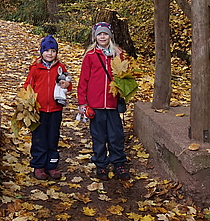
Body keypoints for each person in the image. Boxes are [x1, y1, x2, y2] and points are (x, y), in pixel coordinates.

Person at [77, 22, 130, 181]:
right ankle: (101, 164)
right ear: (95, 37)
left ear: (110, 36)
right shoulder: (91, 55)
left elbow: (124, 76)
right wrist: (82, 102)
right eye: (99, 34)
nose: (102, 37)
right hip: (96, 104)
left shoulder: (117, 54)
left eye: (105, 34)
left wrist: (124, 92)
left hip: (112, 104)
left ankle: (119, 162)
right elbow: (83, 80)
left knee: (116, 135)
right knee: (99, 136)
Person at [23, 35, 71, 180]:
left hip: (56, 109)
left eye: (53, 51)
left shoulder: (60, 68)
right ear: (41, 52)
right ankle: (38, 165)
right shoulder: (35, 68)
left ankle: (52, 165)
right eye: (47, 51)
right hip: (39, 109)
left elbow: (67, 84)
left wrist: (67, 86)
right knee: (39, 137)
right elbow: (28, 86)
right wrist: (28, 101)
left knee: (53, 137)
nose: (50, 54)